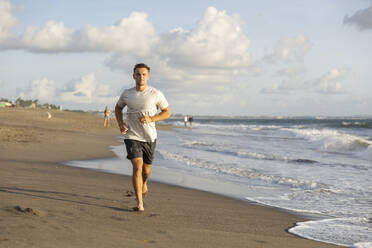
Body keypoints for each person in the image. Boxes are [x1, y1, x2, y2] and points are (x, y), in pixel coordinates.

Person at [115, 63, 171, 212]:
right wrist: (121, 123)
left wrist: (151, 119)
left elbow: (167, 112)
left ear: (148, 76)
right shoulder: (127, 94)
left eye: (144, 74)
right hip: (132, 135)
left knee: (146, 170)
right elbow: (118, 108)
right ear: (133, 76)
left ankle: (144, 183)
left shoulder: (155, 94)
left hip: (149, 137)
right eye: (138, 74)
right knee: (137, 167)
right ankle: (140, 203)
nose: (141, 77)